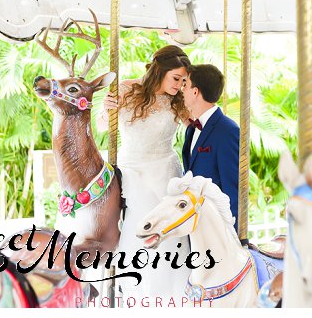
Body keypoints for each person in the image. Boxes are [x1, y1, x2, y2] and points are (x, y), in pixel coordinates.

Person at [102, 44, 192, 298]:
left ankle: (173, 294)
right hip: (133, 171)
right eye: (176, 78)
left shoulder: (178, 101)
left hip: (166, 171)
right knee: (137, 227)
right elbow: (101, 125)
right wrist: (105, 109)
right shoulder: (126, 89)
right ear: (159, 71)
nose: (179, 85)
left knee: (169, 230)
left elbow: (196, 125)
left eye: (184, 80)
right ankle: (137, 292)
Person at [180, 64, 241, 222]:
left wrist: (231, 235)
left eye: (185, 84)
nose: (182, 89)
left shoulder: (228, 130)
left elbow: (233, 189)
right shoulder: (192, 128)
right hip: (195, 223)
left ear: (195, 92)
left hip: (217, 225)